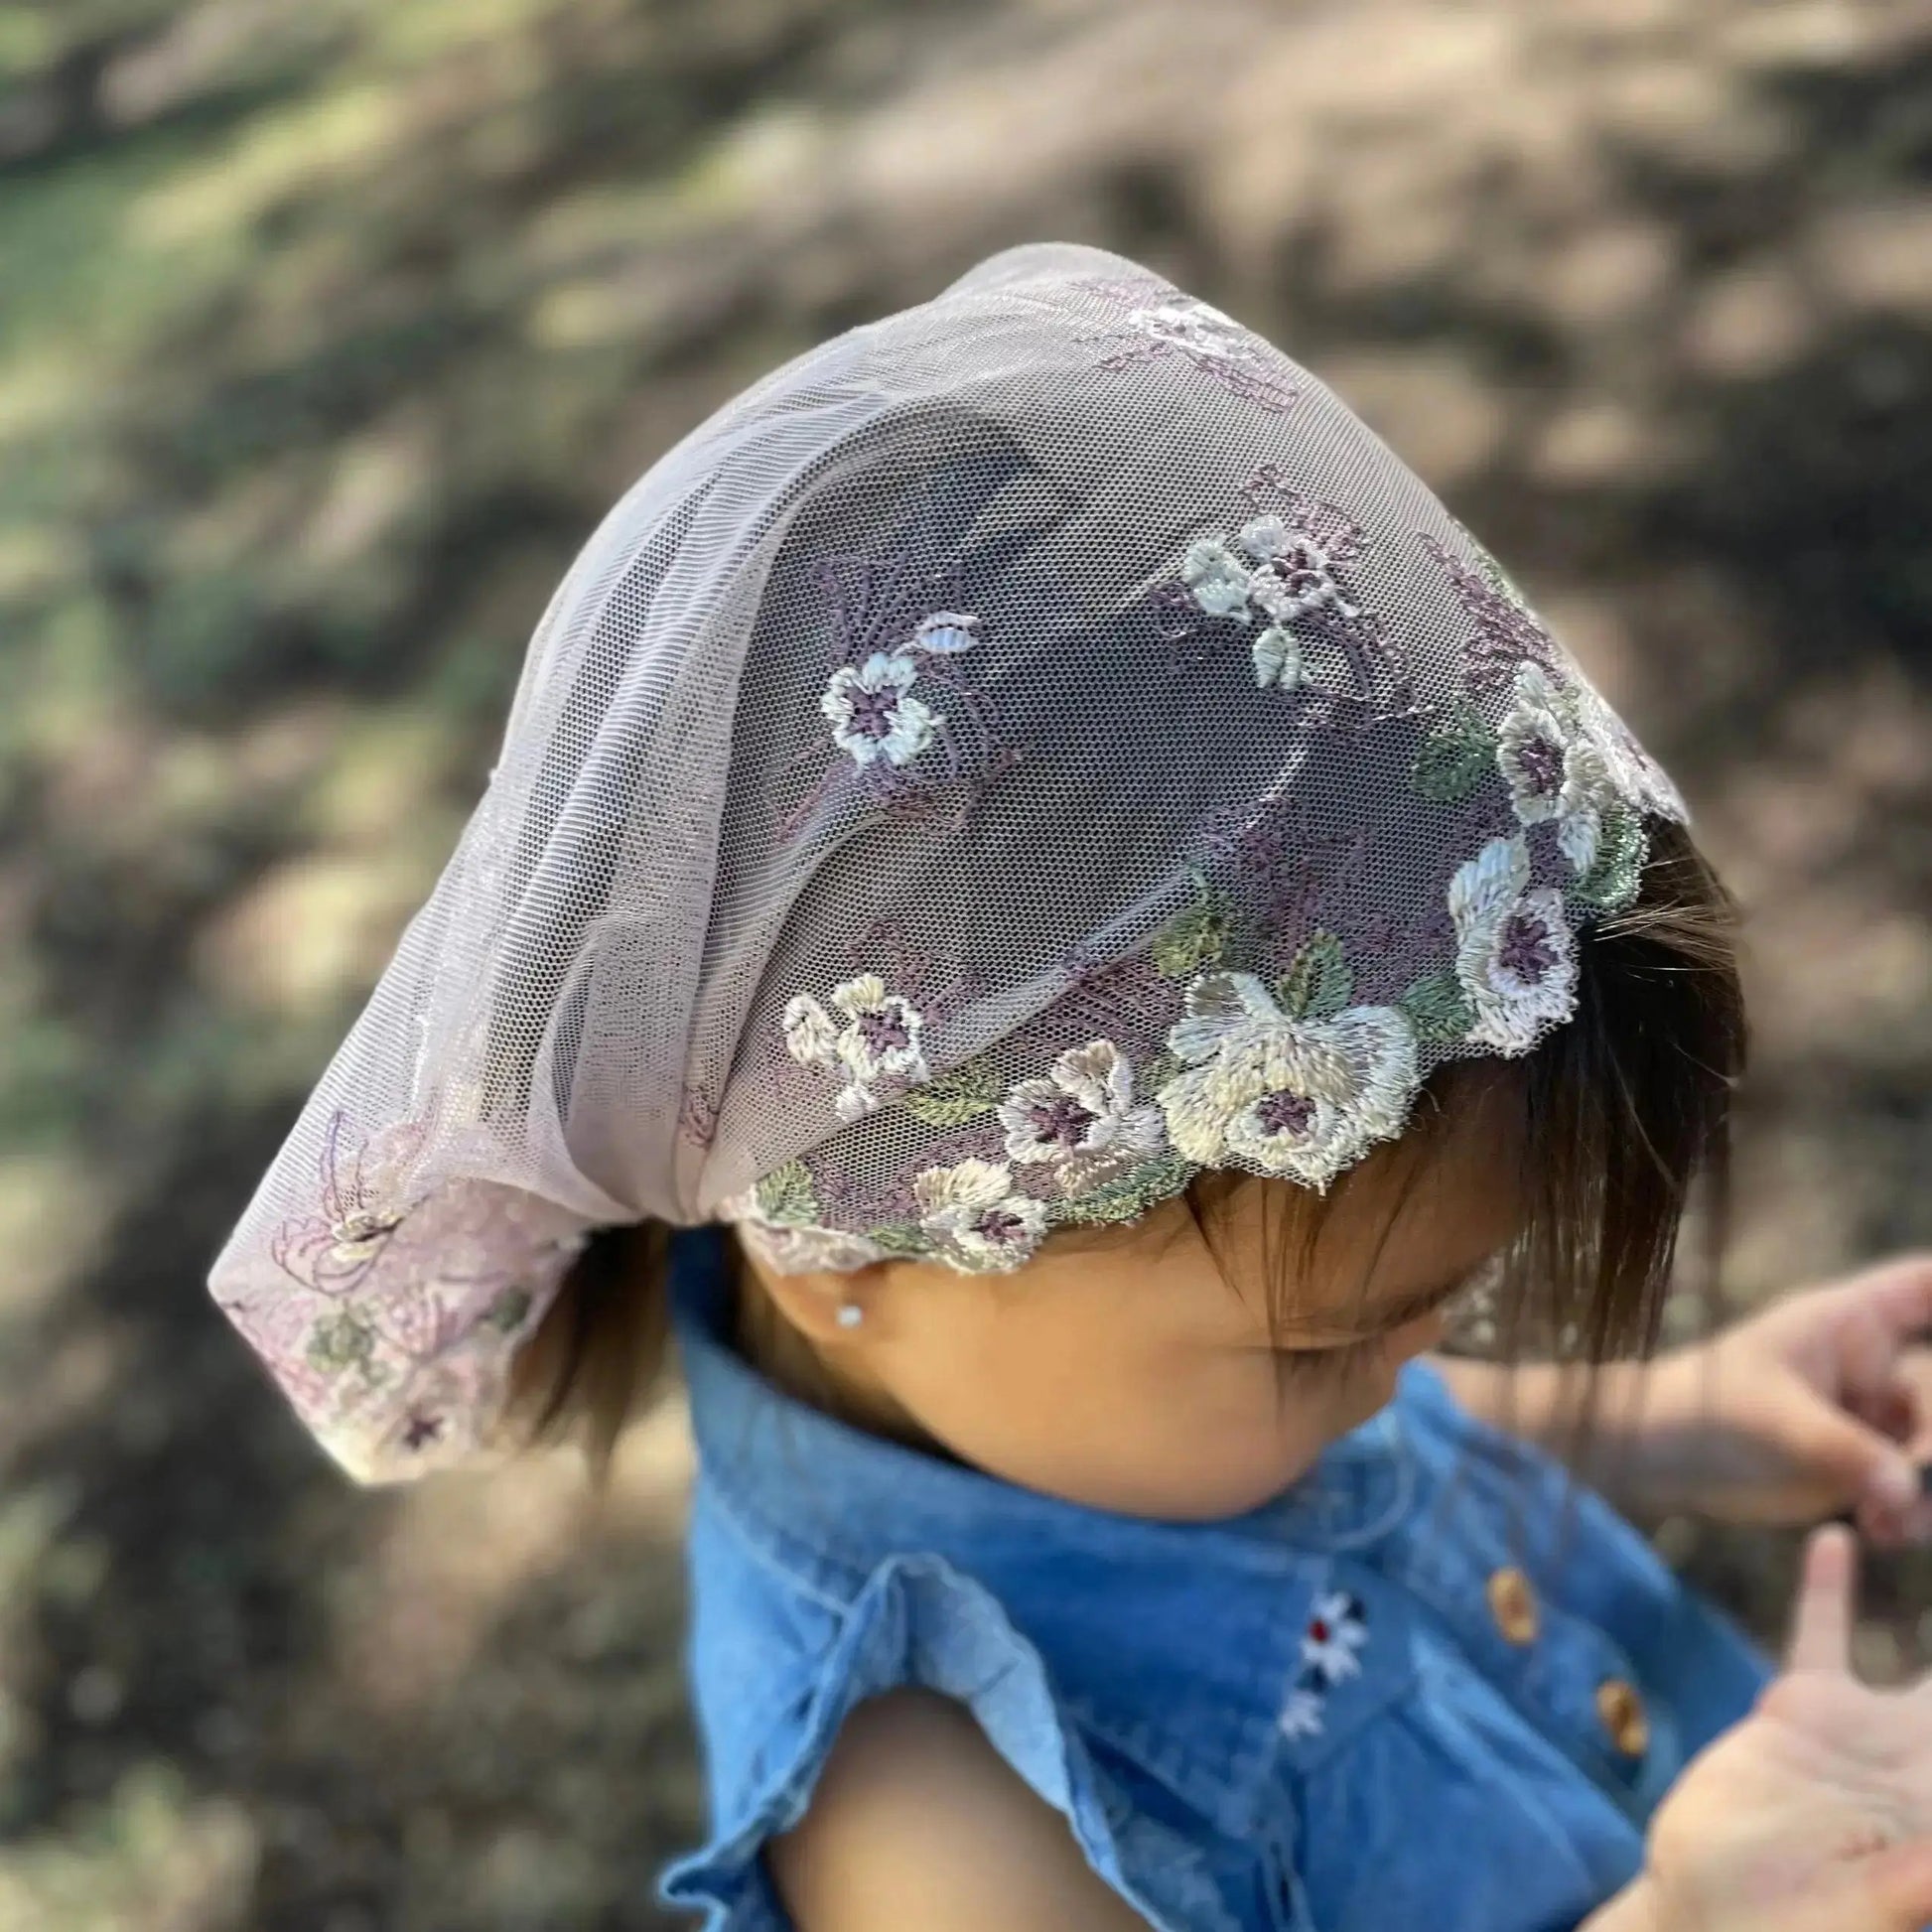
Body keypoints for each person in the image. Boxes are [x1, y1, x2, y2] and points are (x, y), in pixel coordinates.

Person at [207, 243, 1932, 1931]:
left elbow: (1377, 1445)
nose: (1407, 1368)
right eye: (1336, 1338)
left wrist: (1671, 1416)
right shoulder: (928, 1813)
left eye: (1433, 1305)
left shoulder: (1110, 1379)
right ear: (856, 1241)